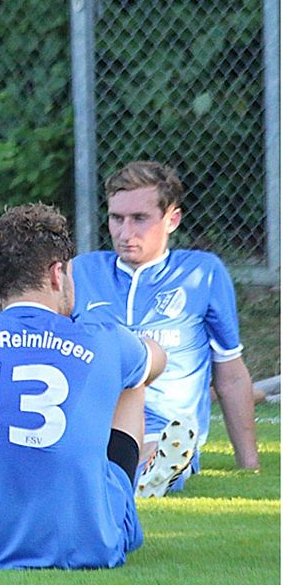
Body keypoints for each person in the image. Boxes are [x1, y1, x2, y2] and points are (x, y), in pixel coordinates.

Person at [0, 203, 166, 570]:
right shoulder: (105, 340)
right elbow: (157, 358)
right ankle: (120, 492)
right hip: (88, 545)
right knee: (132, 376)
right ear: (58, 274)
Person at [72, 161, 260, 495]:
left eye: (139, 219)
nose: (125, 232)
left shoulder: (203, 273)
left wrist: (249, 466)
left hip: (167, 429)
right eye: (117, 218)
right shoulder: (82, 272)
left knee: (157, 446)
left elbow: (230, 375)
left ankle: (152, 467)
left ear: (172, 219)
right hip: (93, 421)